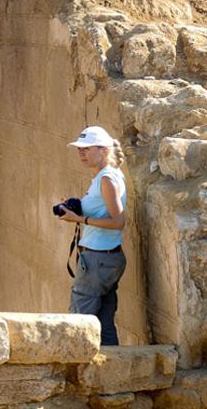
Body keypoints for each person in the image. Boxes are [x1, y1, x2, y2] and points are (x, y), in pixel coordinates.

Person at [56, 125, 127, 345]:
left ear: (104, 150)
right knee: (104, 325)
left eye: (87, 149)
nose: (81, 153)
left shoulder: (106, 179)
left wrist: (80, 219)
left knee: (79, 321)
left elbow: (118, 222)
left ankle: (77, 377)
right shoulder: (108, 175)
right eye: (79, 149)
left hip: (97, 260)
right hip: (107, 259)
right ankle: (113, 374)